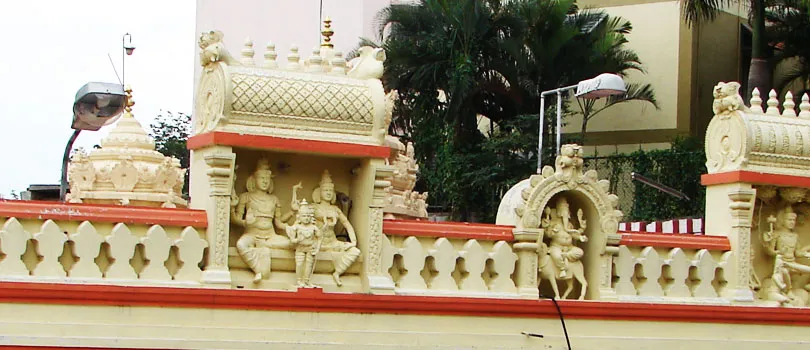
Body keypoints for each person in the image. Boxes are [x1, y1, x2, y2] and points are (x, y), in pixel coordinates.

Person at [231, 158, 291, 283]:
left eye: (267, 179)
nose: (265, 181)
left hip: (270, 236)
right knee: (241, 245)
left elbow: (278, 223)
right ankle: (259, 269)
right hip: (251, 235)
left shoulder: (274, 199)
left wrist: (293, 215)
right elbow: (235, 219)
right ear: (254, 179)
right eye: (262, 178)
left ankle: (264, 247)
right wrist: (245, 222)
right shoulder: (246, 197)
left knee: (291, 244)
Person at [309, 170, 360, 286]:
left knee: (355, 251)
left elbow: (347, 224)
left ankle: (337, 272)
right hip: (317, 243)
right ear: (319, 192)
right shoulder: (313, 207)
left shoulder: (336, 209)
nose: (328, 193)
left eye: (331, 191)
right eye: (325, 190)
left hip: (332, 243)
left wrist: (353, 242)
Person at [547, 197, 587, 278]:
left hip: (569, 248)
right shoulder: (553, 222)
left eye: (566, 209)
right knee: (557, 256)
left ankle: (565, 255)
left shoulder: (569, 224)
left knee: (580, 252)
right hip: (556, 246)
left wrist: (580, 237)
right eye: (562, 209)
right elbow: (547, 235)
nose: (565, 212)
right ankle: (562, 268)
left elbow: (573, 234)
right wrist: (553, 231)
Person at [286, 199, 323, 288]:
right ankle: (299, 281)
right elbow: (292, 240)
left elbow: (320, 237)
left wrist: (317, 248)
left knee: (309, 265)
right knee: (299, 264)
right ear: (299, 217)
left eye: (308, 216)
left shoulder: (313, 227)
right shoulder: (296, 227)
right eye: (304, 216)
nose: (306, 218)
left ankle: (307, 281)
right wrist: (297, 240)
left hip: (310, 248)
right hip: (300, 248)